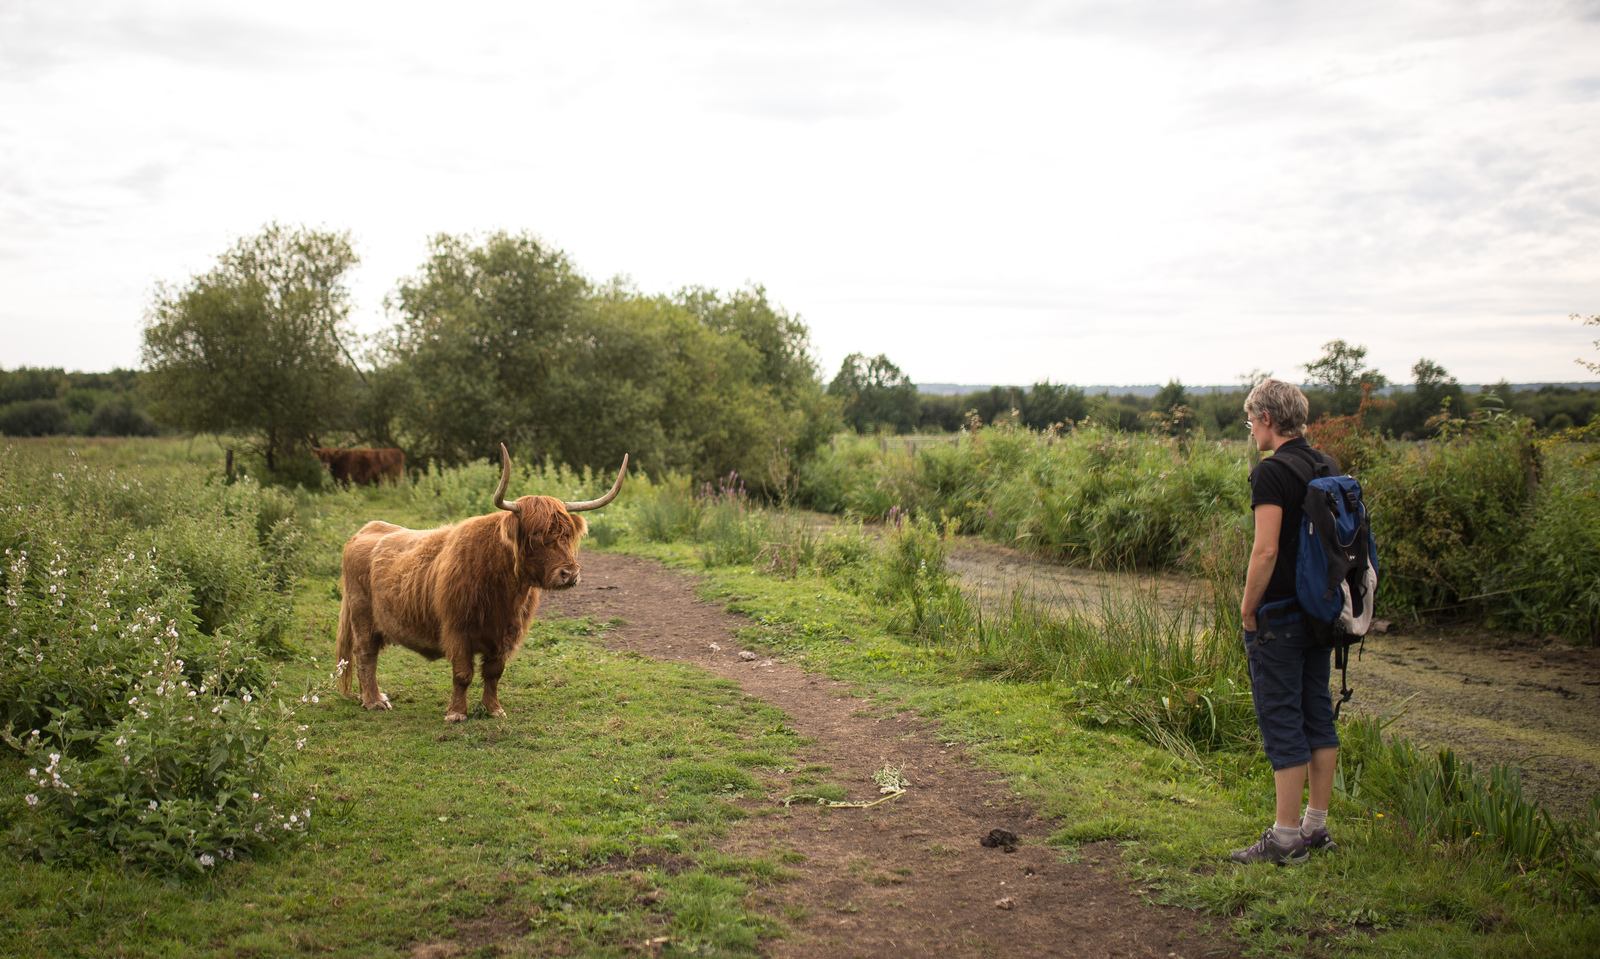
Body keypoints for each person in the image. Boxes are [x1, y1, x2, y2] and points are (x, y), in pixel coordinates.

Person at [1231, 378, 1340, 865]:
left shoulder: (1271, 472)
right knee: (1317, 712)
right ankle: (1315, 827)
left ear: (1268, 419)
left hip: (1279, 614)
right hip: (1321, 611)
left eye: (1252, 419)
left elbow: (1267, 548)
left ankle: (1284, 838)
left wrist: (1248, 607)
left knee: (1281, 718)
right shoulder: (1325, 465)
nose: (1251, 427)